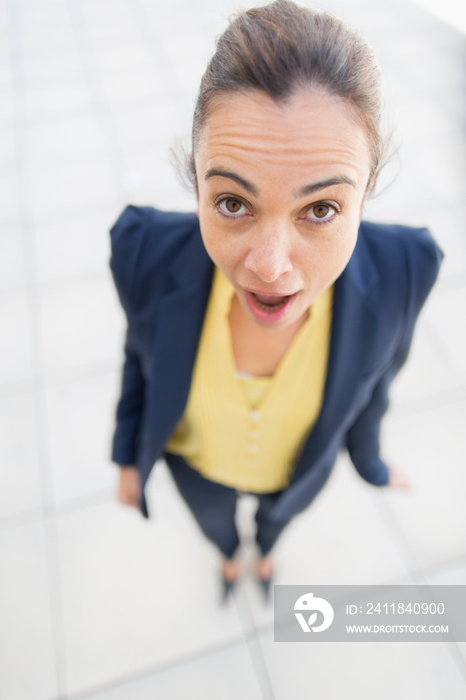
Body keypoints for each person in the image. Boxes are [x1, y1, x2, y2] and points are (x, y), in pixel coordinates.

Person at [109, 0, 443, 600]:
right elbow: (138, 356)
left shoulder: (405, 272)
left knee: (275, 523)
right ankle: (230, 558)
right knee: (217, 528)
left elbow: (375, 385)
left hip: (293, 476)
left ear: (366, 192)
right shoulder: (141, 253)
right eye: (233, 202)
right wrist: (129, 456)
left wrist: (371, 463)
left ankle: (264, 554)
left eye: (320, 209)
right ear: (196, 175)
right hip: (197, 468)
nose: (268, 266)